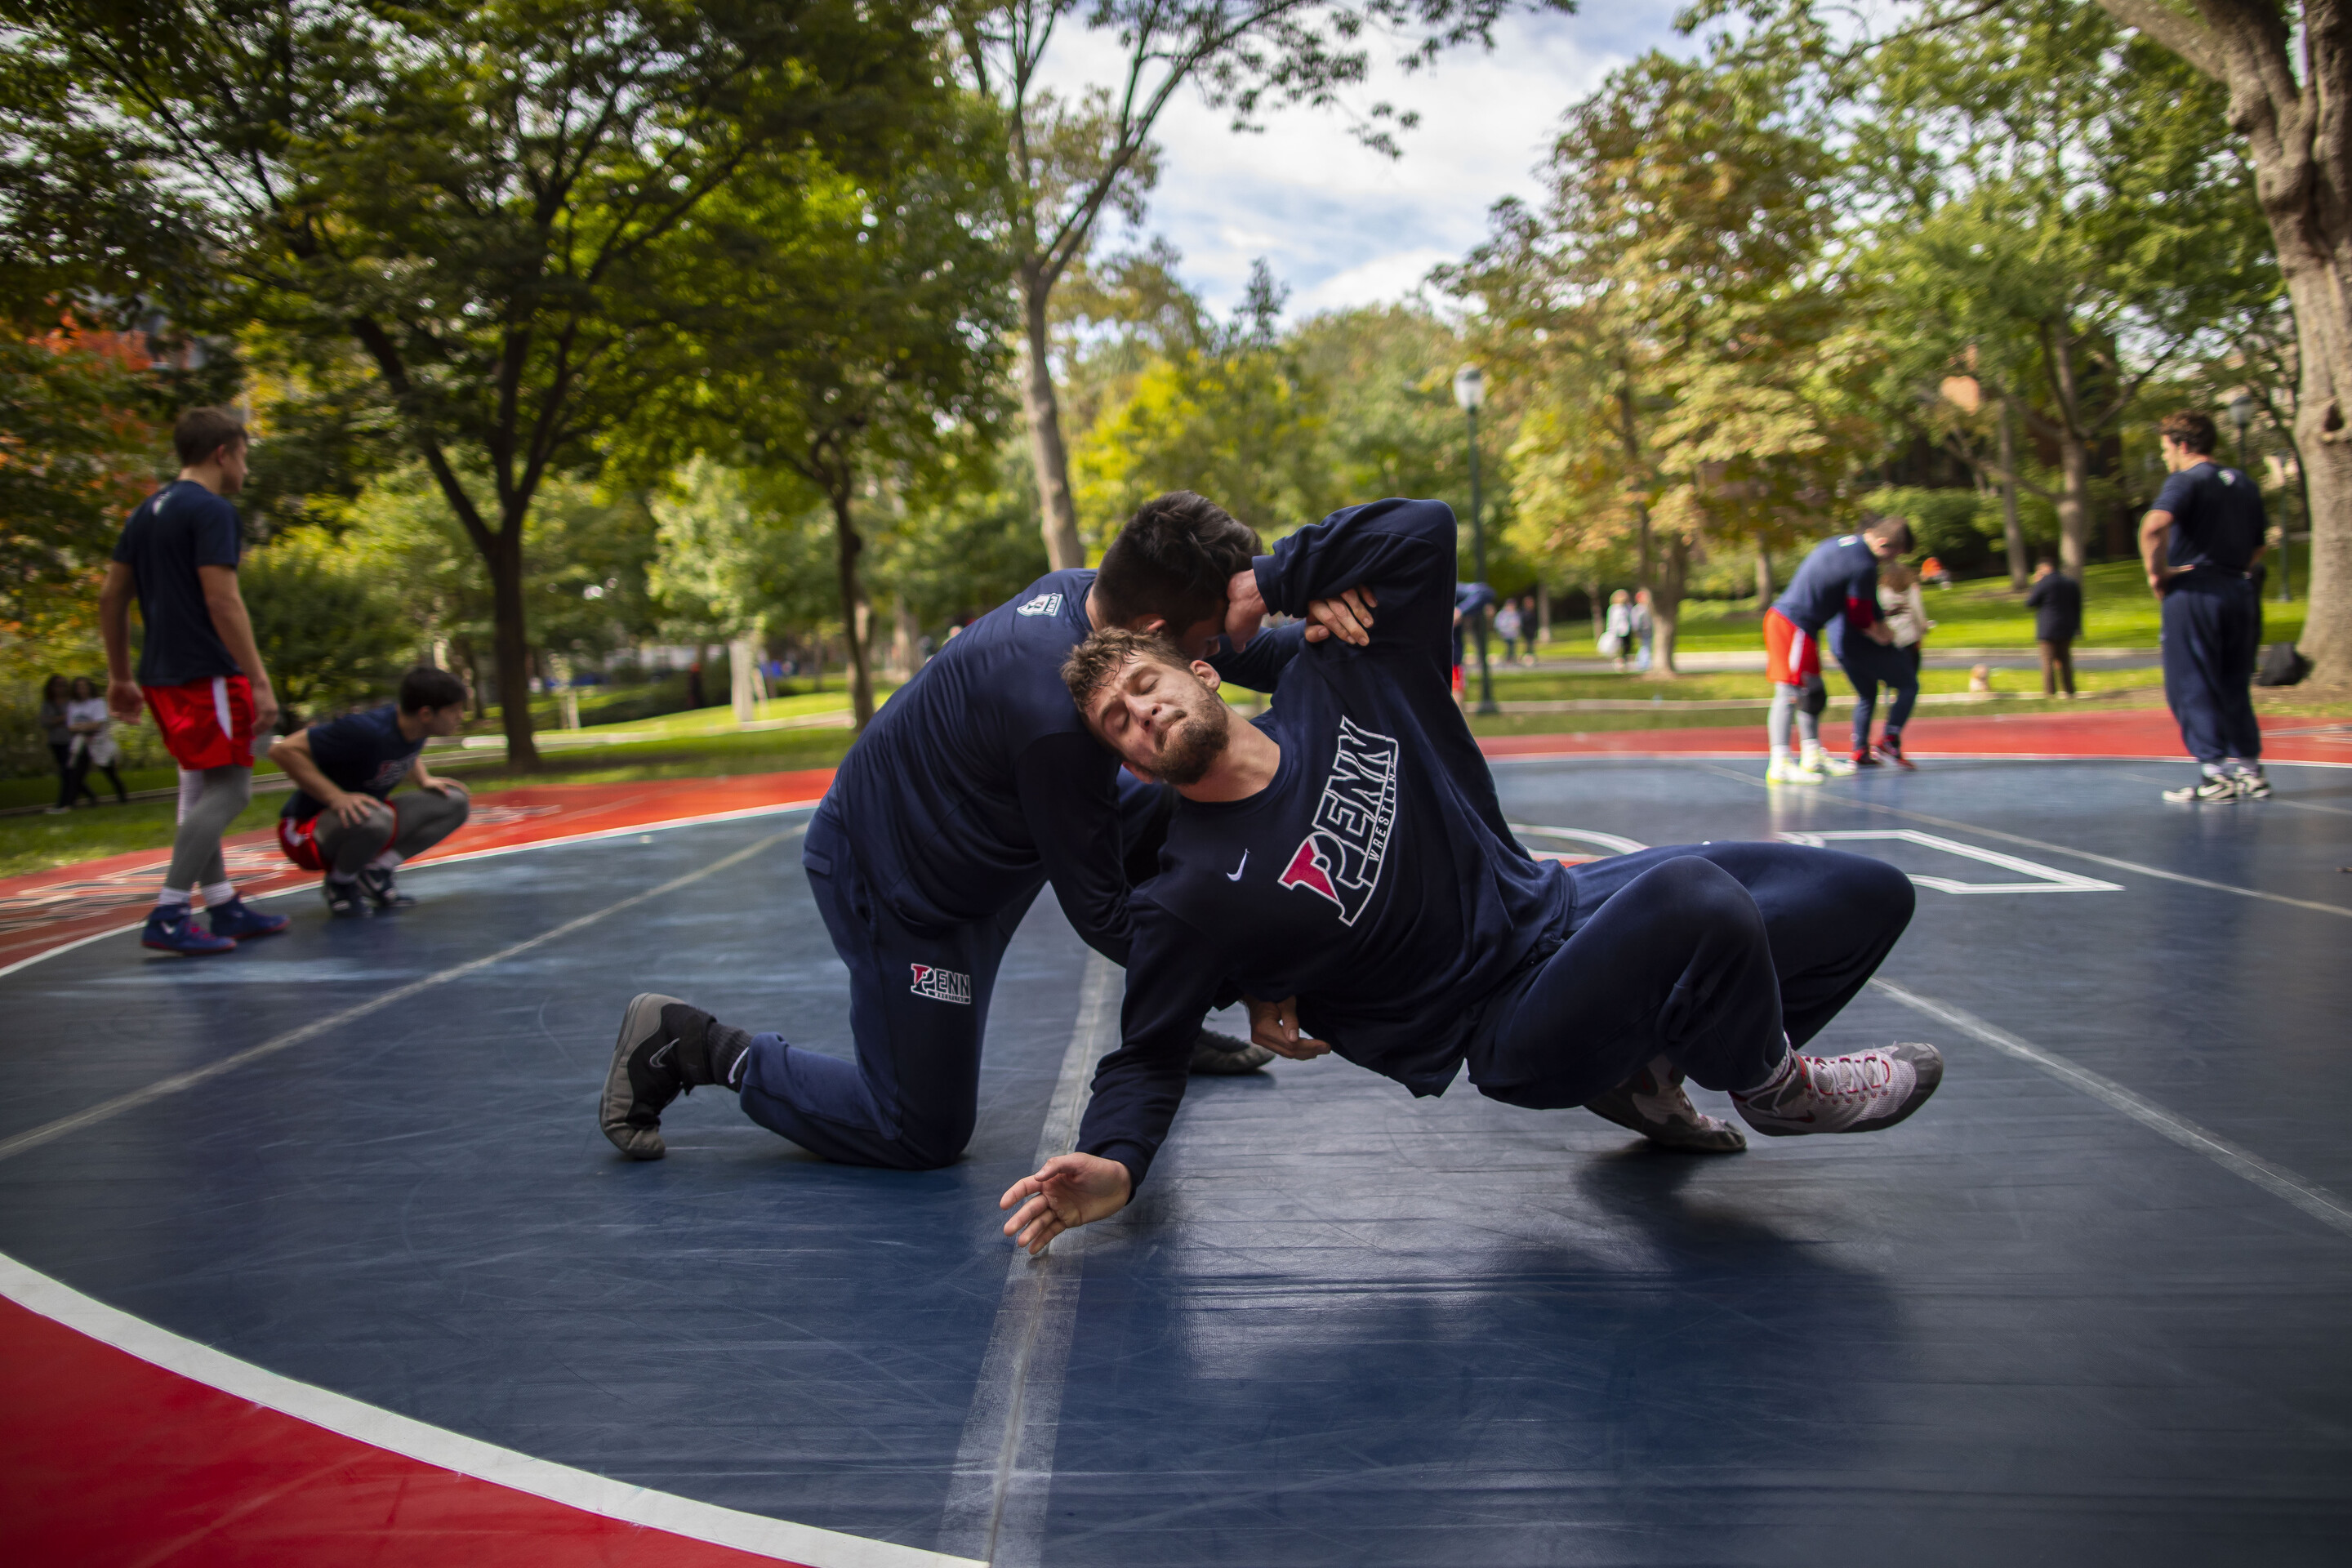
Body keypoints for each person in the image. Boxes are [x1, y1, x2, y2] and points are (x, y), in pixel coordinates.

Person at [999, 498, 1944, 1254]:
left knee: (1867, 897)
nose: (1140, 716)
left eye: (1145, 688)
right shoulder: (1191, 895)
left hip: (1564, 907)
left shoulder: (1344, 678)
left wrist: (1273, 581)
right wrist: (1116, 1165)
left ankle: (1651, 1068)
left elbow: (1423, 531)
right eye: (1117, 724)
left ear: (1203, 673)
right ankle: (1774, 1085)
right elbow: (1148, 1053)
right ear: (1129, 765)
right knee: (1694, 899)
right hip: (1507, 1024)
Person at [597, 493, 1367, 1169]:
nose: (1216, 655)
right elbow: (1101, 914)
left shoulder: (1092, 597)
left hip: (987, 835)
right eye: (1203, 642)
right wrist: (1257, 983)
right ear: (1157, 630)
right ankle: (693, 1044)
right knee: (918, 1132)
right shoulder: (1054, 720)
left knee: (1172, 801)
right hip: (905, 890)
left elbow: (1248, 648)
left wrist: (1323, 621)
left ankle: (1170, 1019)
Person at [98, 406, 290, 956]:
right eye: (245, 457)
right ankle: (169, 911)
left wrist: (119, 677)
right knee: (230, 791)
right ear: (222, 453)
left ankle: (223, 903)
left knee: (206, 789)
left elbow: (111, 596)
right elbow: (222, 600)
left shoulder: (145, 512)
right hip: (206, 671)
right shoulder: (211, 511)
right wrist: (257, 680)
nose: (246, 471)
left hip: (161, 675)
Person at [268, 667, 474, 915]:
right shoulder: (365, 730)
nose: (461, 716)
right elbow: (282, 750)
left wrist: (423, 779)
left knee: (454, 801)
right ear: (426, 713)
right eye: (454, 710)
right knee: (377, 817)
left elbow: (404, 748)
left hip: (364, 822)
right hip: (305, 832)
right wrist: (335, 797)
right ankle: (340, 884)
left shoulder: (413, 727)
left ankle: (375, 873)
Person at [2142, 410, 2270, 803]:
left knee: (2190, 680)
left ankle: (2214, 773)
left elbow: (2154, 525)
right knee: (2234, 681)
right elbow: (2260, 544)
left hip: (2195, 589)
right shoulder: (2244, 484)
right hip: (2238, 589)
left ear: (2182, 445)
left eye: (2166, 449)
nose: (2166, 458)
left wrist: (2157, 573)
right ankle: (2250, 770)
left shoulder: (2185, 480)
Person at [1762, 517, 1913, 785]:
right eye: (1893, 554)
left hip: (1803, 626)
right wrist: (1884, 636)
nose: (1890, 562)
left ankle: (1811, 756)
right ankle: (1780, 762)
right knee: (1788, 692)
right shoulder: (1864, 564)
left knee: (1814, 692)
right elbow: (1859, 616)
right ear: (1883, 543)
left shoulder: (1842, 543)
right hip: (1791, 624)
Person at [1839, 560, 1929, 769]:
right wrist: (1922, 630)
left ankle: (1860, 746)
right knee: (1909, 686)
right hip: (1900, 642)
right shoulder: (1910, 590)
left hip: (1862, 646)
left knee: (1866, 695)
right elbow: (1918, 614)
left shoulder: (1876, 590)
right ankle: (1891, 734)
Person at [64, 675, 131, 804]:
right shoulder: (73, 705)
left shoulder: (98, 703)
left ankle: (123, 798)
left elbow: (98, 724)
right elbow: (71, 727)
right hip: (82, 743)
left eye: (84, 686)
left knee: (109, 771)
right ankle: (74, 802)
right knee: (77, 773)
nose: (81, 690)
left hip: (99, 742)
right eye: (79, 687)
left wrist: (81, 727)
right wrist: (87, 726)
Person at [2026, 558, 2082, 699]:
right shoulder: (2070, 583)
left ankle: (2050, 692)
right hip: (2067, 627)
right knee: (2065, 660)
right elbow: (2077, 608)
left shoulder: (2043, 584)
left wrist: (2036, 584)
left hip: (2048, 629)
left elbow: (2030, 603)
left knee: (2047, 662)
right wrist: (2078, 628)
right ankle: (2070, 691)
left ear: (2043, 569)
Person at [38, 675, 78, 814]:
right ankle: (88, 797)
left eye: (63, 684)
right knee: (68, 771)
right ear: (51, 687)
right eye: (57, 685)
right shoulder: (48, 704)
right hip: (56, 742)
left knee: (68, 771)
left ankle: (64, 803)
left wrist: (56, 720)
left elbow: (74, 720)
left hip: (72, 741)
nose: (60, 688)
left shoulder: (72, 702)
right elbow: (45, 723)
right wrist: (63, 718)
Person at [1601, 589, 1634, 672]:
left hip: (1627, 630)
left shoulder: (1628, 607)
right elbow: (1612, 621)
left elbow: (1632, 618)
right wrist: (1611, 631)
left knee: (1627, 647)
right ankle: (1619, 662)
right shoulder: (1614, 608)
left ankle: (1624, 662)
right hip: (1618, 631)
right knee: (1619, 648)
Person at [1630, 587, 1655, 672]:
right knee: (1645, 647)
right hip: (1644, 631)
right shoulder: (1639, 609)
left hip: (1647, 630)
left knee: (1646, 646)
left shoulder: (1645, 608)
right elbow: (1636, 622)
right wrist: (1637, 631)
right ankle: (1643, 664)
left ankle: (1643, 663)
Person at [1494, 597, 1523, 665]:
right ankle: (1507, 658)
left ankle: (1511, 658)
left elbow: (1518, 622)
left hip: (1513, 633)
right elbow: (1499, 623)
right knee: (1508, 646)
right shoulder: (1502, 614)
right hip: (1505, 633)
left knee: (1512, 646)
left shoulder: (1515, 613)